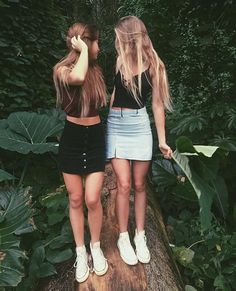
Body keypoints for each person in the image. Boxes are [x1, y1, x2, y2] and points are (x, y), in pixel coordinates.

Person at [106, 16, 173, 266]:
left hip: (139, 126)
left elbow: (157, 105)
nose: (116, 43)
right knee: (123, 184)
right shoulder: (120, 60)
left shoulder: (154, 64)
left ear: (129, 38)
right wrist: (108, 123)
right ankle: (124, 237)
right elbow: (116, 94)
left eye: (119, 38)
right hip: (115, 125)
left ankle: (140, 235)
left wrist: (162, 141)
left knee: (139, 184)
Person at [53, 22, 108, 283]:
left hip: (95, 138)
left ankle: (96, 247)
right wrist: (84, 51)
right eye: (96, 43)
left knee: (93, 198)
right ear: (86, 44)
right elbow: (77, 78)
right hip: (72, 139)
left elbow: (89, 80)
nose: (99, 48)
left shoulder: (97, 72)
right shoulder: (62, 69)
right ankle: (80, 250)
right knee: (75, 199)